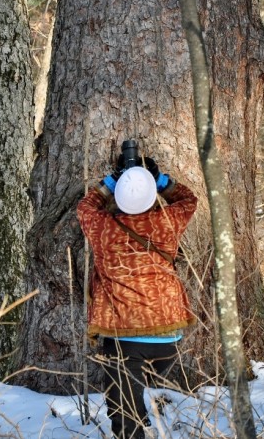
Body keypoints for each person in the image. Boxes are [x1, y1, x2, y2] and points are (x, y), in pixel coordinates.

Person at [77, 144, 198, 439]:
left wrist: (111, 182)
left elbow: (85, 207)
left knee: (123, 405)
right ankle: (151, 415)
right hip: (167, 336)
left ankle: (132, 428)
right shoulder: (166, 223)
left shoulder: (103, 227)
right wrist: (159, 180)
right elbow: (188, 200)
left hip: (122, 335)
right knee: (136, 391)